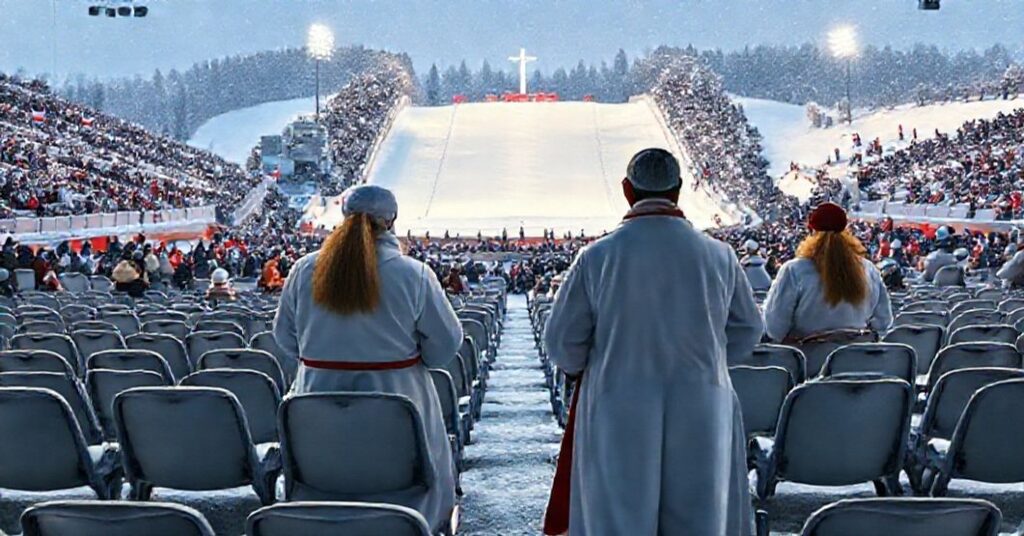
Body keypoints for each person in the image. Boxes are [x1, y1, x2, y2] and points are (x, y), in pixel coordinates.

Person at [542, 148, 763, 536]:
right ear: (678, 190)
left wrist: (593, 367)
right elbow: (748, 329)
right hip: (702, 400)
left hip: (616, 403)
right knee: (699, 517)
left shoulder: (597, 256)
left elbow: (561, 341)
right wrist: (708, 360)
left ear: (628, 190)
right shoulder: (719, 255)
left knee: (619, 518)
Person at [273, 184, 462, 533]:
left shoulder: (304, 270)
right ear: (391, 222)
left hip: (316, 403)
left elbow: (284, 336)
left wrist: (324, 356)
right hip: (399, 402)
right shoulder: (414, 274)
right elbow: (445, 347)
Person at [763, 203, 893, 371]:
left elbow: (774, 328)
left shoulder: (794, 270)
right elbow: (883, 322)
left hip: (806, 371)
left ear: (811, 232)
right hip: (857, 369)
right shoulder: (869, 269)